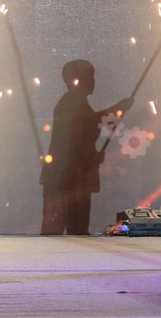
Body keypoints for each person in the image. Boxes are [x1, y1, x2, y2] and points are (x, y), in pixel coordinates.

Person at [40, 59, 133, 235]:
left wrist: (92, 156)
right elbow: (87, 126)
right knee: (71, 226)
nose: (92, 81)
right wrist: (118, 109)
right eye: (89, 77)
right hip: (68, 177)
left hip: (69, 176)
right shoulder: (70, 104)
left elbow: (85, 132)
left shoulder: (73, 104)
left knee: (67, 226)